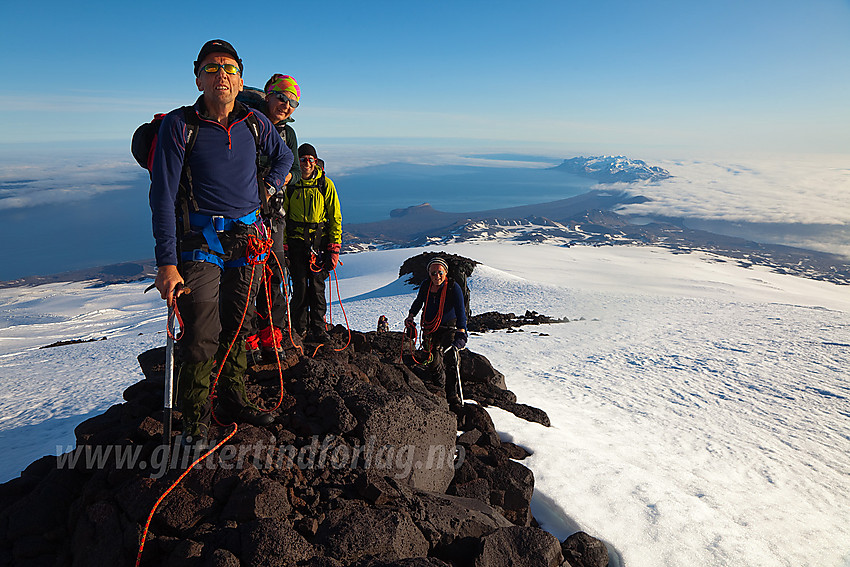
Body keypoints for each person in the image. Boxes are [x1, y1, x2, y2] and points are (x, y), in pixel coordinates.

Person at [150, 39, 294, 444]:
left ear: (241, 78)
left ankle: (231, 398)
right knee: (200, 332)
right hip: (201, 243)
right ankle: (194, 420)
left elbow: (283, 158)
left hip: (247, 241)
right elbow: (162, 196)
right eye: (211, 69)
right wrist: (166, 261)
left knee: (237, 324)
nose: (221, 75)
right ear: (198, 78)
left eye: (229, 68)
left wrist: (267, 186)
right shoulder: (180, 126)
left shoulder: (254, 123)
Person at [248, 74, 302, 361]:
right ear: (268, 94)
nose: (287, 105)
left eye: (294, 102)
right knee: (247, 276)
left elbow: (293, 169)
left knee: (275, 275)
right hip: (247, 214)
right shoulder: (246, 121)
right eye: (282, 97)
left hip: (275, 215)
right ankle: (249, 339)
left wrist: (276, 182)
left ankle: (273, 336)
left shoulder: (287, 134)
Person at [283, 143, 342, 343]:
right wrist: (283, 247)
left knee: (317, 287)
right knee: (299, 287)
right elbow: (281, 218)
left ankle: (318, 327)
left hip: (319, 244)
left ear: (316, 162)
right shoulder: (290, 185)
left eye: (311, 160)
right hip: (296, 243)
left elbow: (335, 218)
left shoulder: (326, 185)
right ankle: (298, 329)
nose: (307, 163)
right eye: (303, 160)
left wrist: (334, 248)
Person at [405, 257, 468, 412]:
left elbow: (461, 310)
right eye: (433, 273)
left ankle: (452, 395)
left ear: (445, 272)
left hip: (449, 328)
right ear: (429, 274)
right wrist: (411, 315)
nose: (436, 276)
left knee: (451, 359)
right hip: (430, 327)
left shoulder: (454, 287)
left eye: (440, 272)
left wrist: (462, 331)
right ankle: (439, 389)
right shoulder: (426, 285)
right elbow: (419, 301)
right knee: (432, 359)